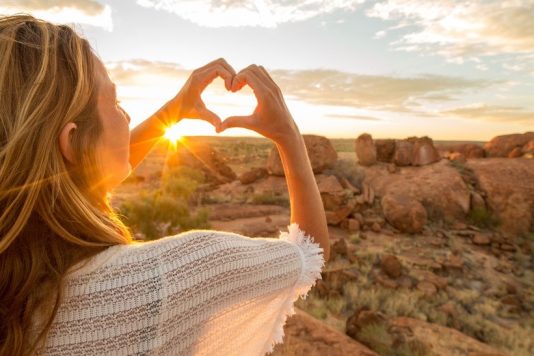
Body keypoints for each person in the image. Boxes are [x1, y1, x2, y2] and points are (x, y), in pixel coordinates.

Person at [0, 14, 329, 355]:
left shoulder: (17, 285)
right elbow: (311, 252)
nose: (126, 116)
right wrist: (287, 133)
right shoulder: (176, 274)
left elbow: (72, 182)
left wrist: (173, 111)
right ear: (72, 141)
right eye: (114, 102)